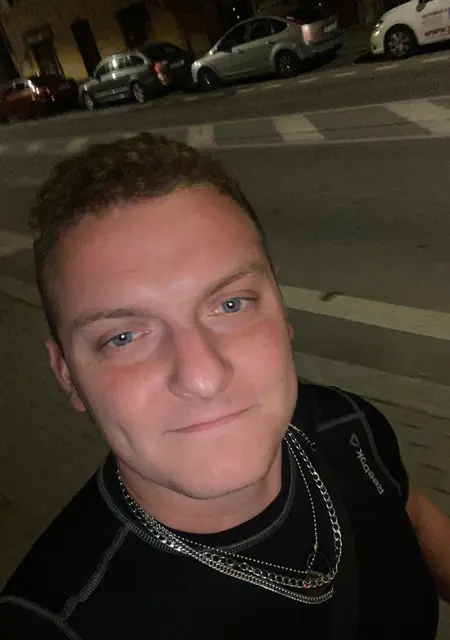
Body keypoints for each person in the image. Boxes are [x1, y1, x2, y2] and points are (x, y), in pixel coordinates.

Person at [0, 134, 449, 639]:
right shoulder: (53, 623)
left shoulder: (347, 424)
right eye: (123, 337)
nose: (202, 376)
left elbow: (408, 514)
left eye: (231, 304)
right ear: (67, 374)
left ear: (280, 305)